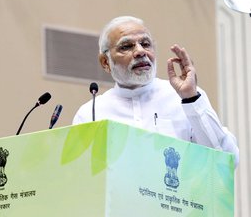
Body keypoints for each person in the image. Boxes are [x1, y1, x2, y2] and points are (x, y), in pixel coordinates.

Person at [73, 16, 239, 166]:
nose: (140, 51)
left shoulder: (185, 98)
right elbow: (79, 173)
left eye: (145, 44)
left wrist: (191, 99)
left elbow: (227, 161)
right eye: (126, 46)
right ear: (105, 62)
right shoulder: (90, 113)